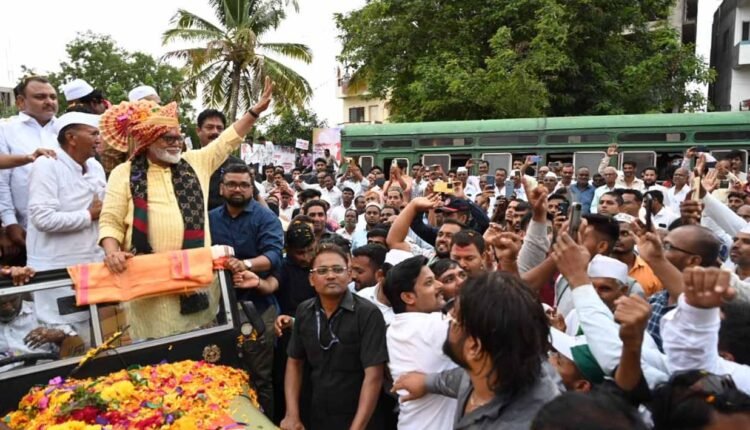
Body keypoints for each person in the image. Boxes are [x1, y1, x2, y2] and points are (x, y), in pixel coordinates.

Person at [97, 77, 274, 340]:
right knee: (154, 355)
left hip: (194, 282)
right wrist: (112, 252)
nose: (176, 142)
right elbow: (110, 220)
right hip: (148, 287)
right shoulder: (124, 173)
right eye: (168, 138)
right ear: (148, 140)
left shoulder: (195, 163)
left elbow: (227, 140)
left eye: (178, 137)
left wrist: (254, 112)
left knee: (197, 350)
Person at [392, 272, 559, 429]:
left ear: (474, 347)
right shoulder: (495, 369)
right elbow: (462, 380)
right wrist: (426, 382)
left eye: (453, 319)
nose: (448, 322)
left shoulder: (522, 422)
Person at [281, 245, 387, 430]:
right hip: (317, 412)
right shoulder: (304, 311)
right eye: (322, 271)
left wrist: (357, 428)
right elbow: (294, 362)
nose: (331, 276)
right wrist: (292, 414)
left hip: (360, 416)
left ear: (349, 275)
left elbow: (374, 375)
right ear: (311, 279)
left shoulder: (368, 314)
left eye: (338, 269)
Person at [208, 162, 283, 416]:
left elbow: (274, 255)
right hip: (215, 310)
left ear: (252, 189)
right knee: (219, 373)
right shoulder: (209, 219)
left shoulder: (265, 218)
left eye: (243, 184)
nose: (237, 189)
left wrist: (246, 264)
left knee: (259, 377)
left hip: (256, 308)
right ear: (221, 188)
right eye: (231, 184)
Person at [26, 112, 106, 346]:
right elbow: (42, 218)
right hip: (56, 271)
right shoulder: (47, 165)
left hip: (92, 267)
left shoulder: (95, 166)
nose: (99, 139)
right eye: (93, 133)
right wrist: (87, 215)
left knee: (94, 341)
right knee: (60, 342)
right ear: (71, 137)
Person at [383, 256, 457, 430]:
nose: (440, 286)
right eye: (429, 283)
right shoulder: (434, 325)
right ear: (409, 297)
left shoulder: (395, 328)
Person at [0, 76, 60, 251]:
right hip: (24, 230)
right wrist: (10, 221)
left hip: (67, 227)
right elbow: (1, 181)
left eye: (53, 97)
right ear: (20, 102)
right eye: (40, 97)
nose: (49, 102)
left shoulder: (66, 129)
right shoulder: (5, 129)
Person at [0, 293, 76, 372]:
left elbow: (73, 338)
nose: (8, 307)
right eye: (1, 303)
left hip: (46, 372)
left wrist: (57, 335)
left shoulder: (40, 310)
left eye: (13, 300)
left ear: (20, 295)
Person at [196, 109, 246, 210]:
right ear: (198, 131)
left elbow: (254, 197)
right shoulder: (187, 163)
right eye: (209, 127)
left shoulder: (237, 165)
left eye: (219, 128)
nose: (215, 132)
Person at [611, 215, 663, 297]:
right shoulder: (596, 267)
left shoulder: (652, 270)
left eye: (624, 233)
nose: (618, 238)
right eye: (614, 233)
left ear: (636, 238)